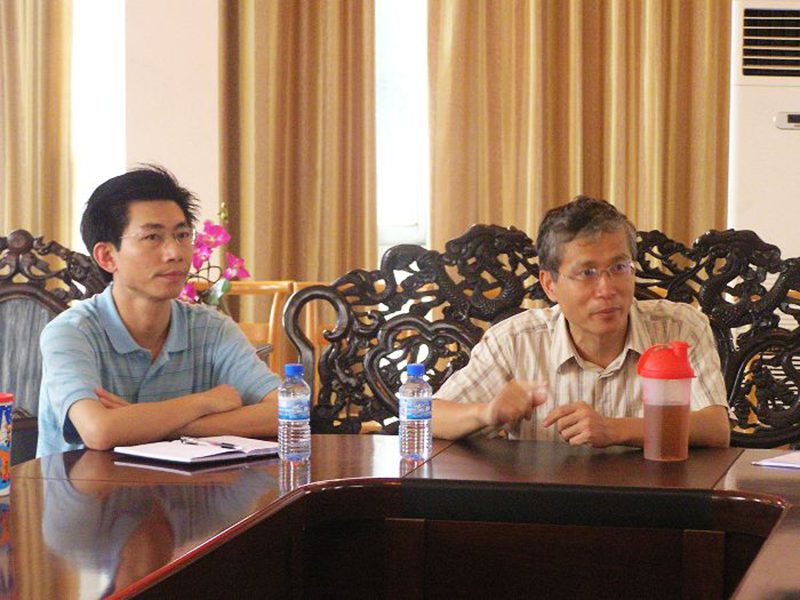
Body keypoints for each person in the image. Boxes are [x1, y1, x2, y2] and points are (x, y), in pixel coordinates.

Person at [431, 196, 730, 448]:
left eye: (619, 267)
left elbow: (716, 429)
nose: (606, 289)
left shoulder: (679, 327)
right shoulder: (515, 340)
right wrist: (486, 413)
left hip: (655, 496)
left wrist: (615, 429)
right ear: (550, 285)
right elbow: (427, 416)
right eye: (587, 273)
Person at [36, 166, 280, 457]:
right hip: (83, 486)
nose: (175, 253)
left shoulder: (211, 328)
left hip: (181, 487)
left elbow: (287, 411)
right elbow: (99, 431)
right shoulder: (71, 332)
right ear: (107, 256)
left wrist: (150, 424)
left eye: (182, 235)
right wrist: (204, 402)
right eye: (152, 237)